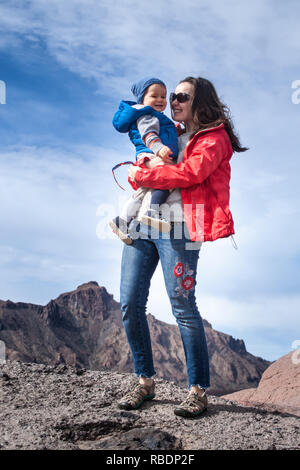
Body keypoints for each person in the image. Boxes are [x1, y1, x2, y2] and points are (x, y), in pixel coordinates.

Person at [117, 76, 248, 418]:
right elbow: (141, 156)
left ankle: (197, 390)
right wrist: (140, 169)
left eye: (181, 96)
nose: (173, 100)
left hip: (181, 227)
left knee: (182, 306)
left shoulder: (214, 138)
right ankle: (144, 382)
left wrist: (146, 175)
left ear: (200, 103)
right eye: (172, 95)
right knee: (130, 302)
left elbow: (191, 173)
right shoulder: (168, 129)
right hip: (144, 222)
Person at [109, 77, 179, 243]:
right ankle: (153, 213)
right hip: (153, 154)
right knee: (167, 179)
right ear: (142, 99)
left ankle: (122, 221)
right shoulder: (147, 114)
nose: (160, 100)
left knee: (143, 191)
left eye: (163, 97)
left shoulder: (152, 115)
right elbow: (149, 134)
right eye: (154, 96)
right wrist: (159, 149)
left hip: (147, 155)